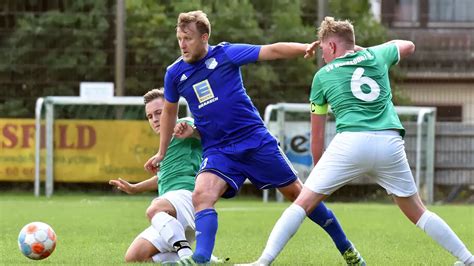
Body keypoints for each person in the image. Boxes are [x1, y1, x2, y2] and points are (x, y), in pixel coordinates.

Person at [242, 17, 474, 266]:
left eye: (323, 50)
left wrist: (321, 169)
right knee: (418, 212)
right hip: (389, 141)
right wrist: (362, 51)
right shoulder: (376, 56)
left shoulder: (321, 77)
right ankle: (468, 259)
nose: (323, 56)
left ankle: (263, 261)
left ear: (331, 47)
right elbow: (408, 45)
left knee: (302, 204)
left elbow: (317, 135)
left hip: (350, 141)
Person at [144, 10, 365, 265]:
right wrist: (162, 152)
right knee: (202, 194)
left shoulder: (225, 54)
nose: (182, 44)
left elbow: (270, 50)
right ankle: (201, 258)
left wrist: (304, 47)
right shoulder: (174, 73)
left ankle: (347, 249)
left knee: (300, 196)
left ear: (204, 37)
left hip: (254, 139)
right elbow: (170, 111)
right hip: (218, 149)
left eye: (188, 38)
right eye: (179, 38)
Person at [109, 88, 222, 264]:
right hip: (172, 217)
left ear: (171, 110)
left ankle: (185, 255)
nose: (154, 119)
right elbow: (162, 178)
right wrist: (134, 188)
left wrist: (192, 131)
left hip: (188, 198)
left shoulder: (183, 124)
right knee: (134, 257)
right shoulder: (164, 144)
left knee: (154, 208)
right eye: (149, 116)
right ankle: (204, 259)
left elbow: (206, 132)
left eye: (158, 113)